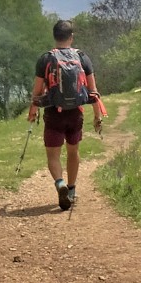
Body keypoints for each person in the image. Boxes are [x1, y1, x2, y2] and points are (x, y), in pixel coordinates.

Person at [28, 19, 104, 211]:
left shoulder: (45, 59)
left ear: (55, 37)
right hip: (75, 114)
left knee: (53, 155)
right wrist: (97, 116)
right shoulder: (83, 58)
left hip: (54, 113)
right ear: (71, 37)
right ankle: (71, 190)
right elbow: (93, 92)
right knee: (73, 151)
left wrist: (33, 112)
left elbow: (37, 93)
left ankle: (60, 183)